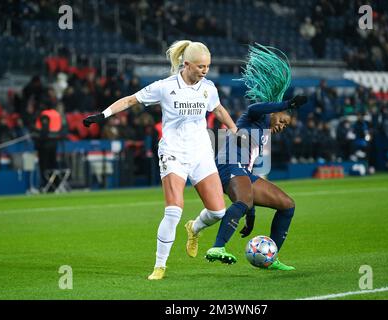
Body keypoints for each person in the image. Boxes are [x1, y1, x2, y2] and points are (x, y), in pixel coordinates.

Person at [83, 40, 237, 280]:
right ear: (186, 65)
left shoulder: (208, 88)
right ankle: (160, 266)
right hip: (173, 152)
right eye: (200, 67)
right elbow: (131, 100)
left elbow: (217, 110)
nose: (205, 71)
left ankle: (194, 228)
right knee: (174, 210)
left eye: (207, 66)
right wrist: (103, 115)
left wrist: (235, 130)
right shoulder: (165, 87)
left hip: (201, 153)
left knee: (218, 212)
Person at [204, 44, 308, 270]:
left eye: (285, 126)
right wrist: (288, 104)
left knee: (287, 205)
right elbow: (257, 108)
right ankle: (218, 246)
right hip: (228, 165)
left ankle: (272, 258)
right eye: (282, 120)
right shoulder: (254, 117)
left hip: (242, 172)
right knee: (243, 200)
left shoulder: (263, 134)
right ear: (275, 111)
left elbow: (246, 179)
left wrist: (250, 216)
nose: (282, 126)